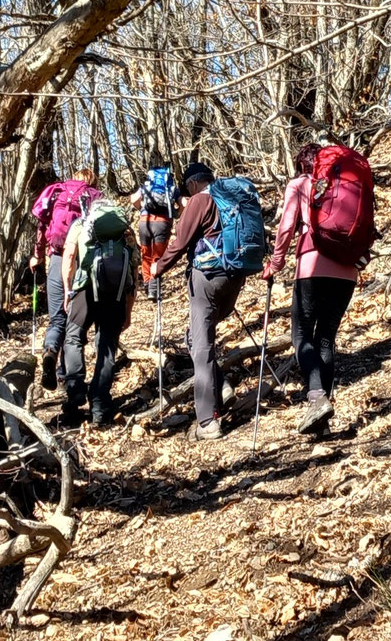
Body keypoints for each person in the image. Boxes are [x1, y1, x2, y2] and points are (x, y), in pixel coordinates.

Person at [150, 161, 263, 439]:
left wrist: (158, 267)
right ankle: (221, 387)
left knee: (201, 346)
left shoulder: (200, 201)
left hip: (208, 278)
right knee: (197, 337)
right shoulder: (232, 196)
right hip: (236, 276)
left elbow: (180, 242)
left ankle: (207, 422)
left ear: (191, 184)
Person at [264, 142, 366, 435]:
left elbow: (286, 228)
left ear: (302, 165)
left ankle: (317, 398)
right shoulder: (345, 185)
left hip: (312, 264)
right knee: (326, 339)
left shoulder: (300, 184)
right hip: (347, 270)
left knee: (301, 335)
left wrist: (275, 264)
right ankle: (322, 419)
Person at [59, 195, 137, 427]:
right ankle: (100, 404)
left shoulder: (82, 224)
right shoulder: (126, 232)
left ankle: (75, 392)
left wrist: (67, 289)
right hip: (115, 293)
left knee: (73, 337)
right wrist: (128, 310)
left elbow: (69, 257)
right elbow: (133, 271)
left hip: (83, 290)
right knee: (107, 345)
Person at [30, 167, 100, 390]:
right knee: (74, 322)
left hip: (58, 259)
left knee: (57, 317)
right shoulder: (95, 196)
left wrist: (37, 255)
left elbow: (42, 226)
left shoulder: (57, 193)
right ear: (91, 181)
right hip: (84, 262)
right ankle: (68, 377)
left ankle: (50, 350)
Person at [129, 162, 179, 299]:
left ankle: (147, 285)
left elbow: (133, 199)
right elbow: (184, 204)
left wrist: (141, 209)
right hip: (163, 223)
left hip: (144, 222)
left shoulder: (146, 187)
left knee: (146, 254)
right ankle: (154, 287)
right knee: (158, 257)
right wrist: (176, 213)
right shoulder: (172, 188)